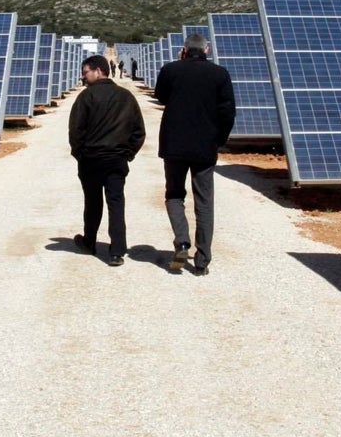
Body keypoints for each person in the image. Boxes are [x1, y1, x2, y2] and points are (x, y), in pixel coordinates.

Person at [153, 33, 235, 275]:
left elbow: (161, 96)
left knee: (175, 194)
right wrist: (219, 140)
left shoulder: (170, 70)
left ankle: (181, 241)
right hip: (204, 147)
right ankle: (202, 260)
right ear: (206, 50)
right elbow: (228, 112)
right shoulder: (220, 74)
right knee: (204, 202)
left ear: (184, 50)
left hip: (174, 146)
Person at [69, 55, 146, 266]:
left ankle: (89, 242)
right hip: (116, 161)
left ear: (98, 71)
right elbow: (139, 132)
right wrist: (127, 154)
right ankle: (117, 252)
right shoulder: (126, 97)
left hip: (91, 160)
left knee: (92, 203)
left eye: (85, 72)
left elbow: (76, 131)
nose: (83, 77)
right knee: (116, 204)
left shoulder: (86, 97)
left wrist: (80, 154)